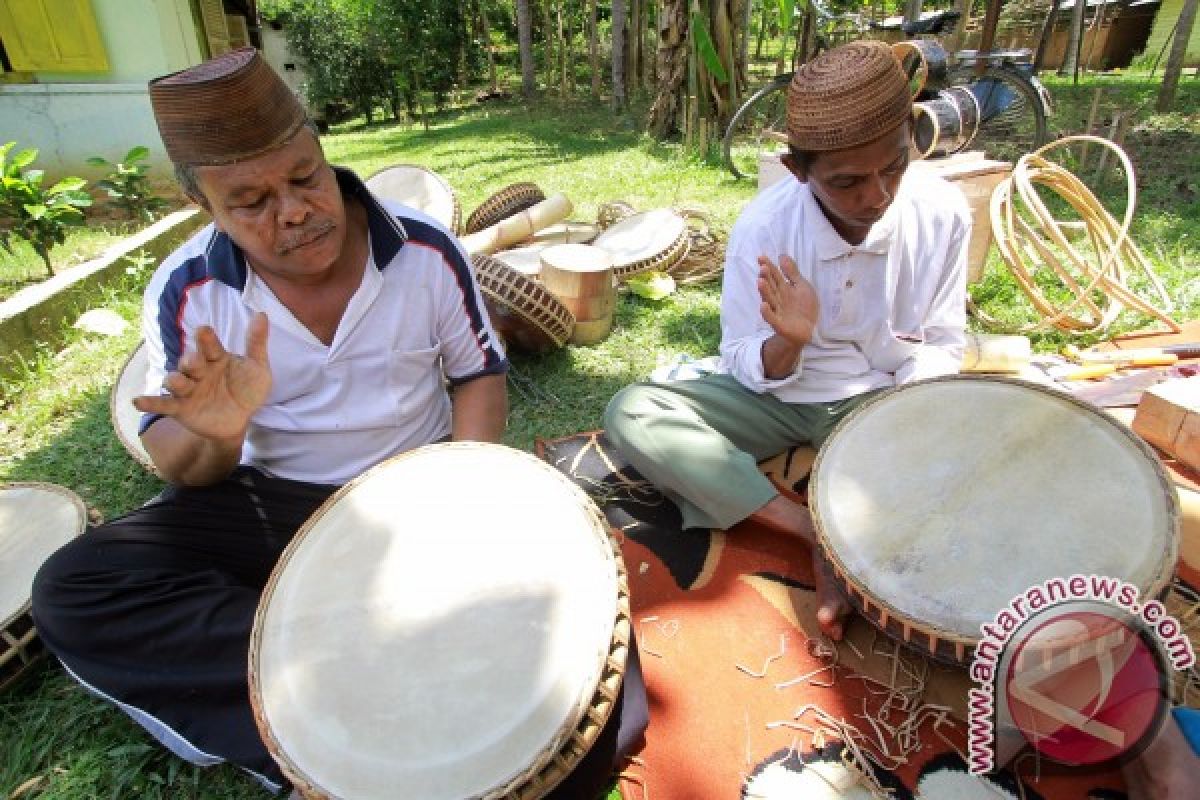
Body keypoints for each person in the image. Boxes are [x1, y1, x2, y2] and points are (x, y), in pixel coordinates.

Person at [31, 48, 645, 795]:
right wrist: (217, 433)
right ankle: (326, 706)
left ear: (325, 154)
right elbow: (179, 463)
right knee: (77, 587)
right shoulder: (188, 290)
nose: (292, 211)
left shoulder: (423, 250)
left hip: (419, 486)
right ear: (206, 209)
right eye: (250, 202)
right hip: (271, 499)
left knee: (597, 685)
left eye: (303, 177)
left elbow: (477, 373)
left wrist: (470, 495)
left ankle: (348, 662)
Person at [604, 41, 971, 642]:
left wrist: (896, 426)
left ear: (912, 136)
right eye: (847, 181)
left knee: (972, 464)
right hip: (780, 394)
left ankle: (861, 528)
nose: (876, 195)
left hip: (882, 393)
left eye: (895, 165)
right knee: (635, 412)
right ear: (798, 171)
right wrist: (790, 342)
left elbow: (943, 342)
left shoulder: (944, 213)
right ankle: (809, 529)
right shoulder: (765, 228)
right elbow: (744, 361)